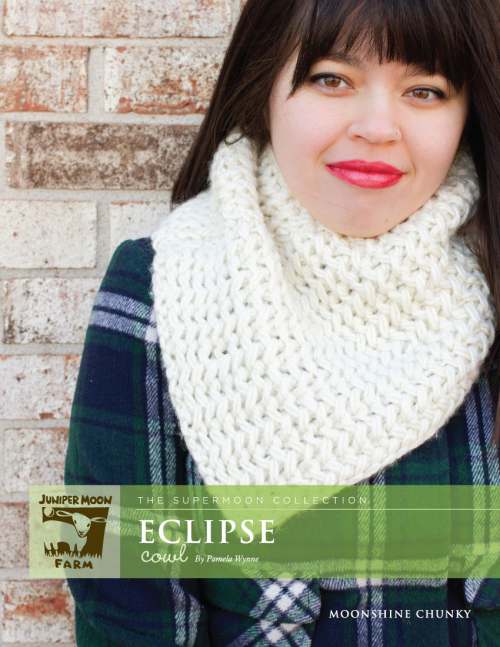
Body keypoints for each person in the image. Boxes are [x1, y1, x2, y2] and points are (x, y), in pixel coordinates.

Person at [64, 0, 500, 644]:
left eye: (425, 90)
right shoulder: (151, 282)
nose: (378, 128)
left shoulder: (490, 286)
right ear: (261, 88)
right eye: (331, 78)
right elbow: (96, 563)